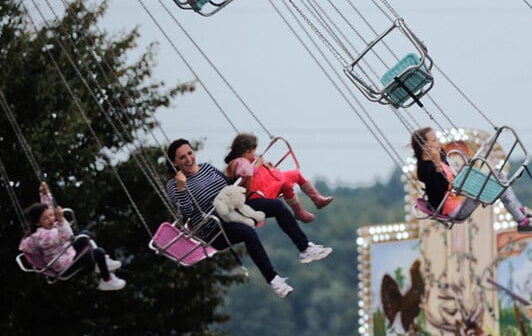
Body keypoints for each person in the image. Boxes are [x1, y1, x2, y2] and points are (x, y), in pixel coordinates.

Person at [166, 139, 332, 298]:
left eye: (190, 153)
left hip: (236, 209)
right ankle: (274, 280)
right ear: (175, 163)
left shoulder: (207, 168)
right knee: (248, 233)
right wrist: (181, 187)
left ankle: (305, 248)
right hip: (216, 229)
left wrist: (260, 170)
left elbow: (232, 185)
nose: (189, 159)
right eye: (182, 157)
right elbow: (186, 212)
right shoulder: (174, 185)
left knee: (277, 206)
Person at [411, 127, 532, 232]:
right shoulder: (424, 168)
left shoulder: (441, 158)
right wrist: (437, 164)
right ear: (425, 147)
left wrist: (441, 161)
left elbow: (454, 175)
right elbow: (440, 187)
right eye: (434, 141)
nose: (438, 143)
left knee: (498, 174)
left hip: (461, 198)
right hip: (454, 210)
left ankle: (520, 213)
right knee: (498, 184)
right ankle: (521, 220)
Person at [18, 182, 125, 291]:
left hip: (65, 253)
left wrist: (44, 194)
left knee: (86, 234)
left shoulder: (45, 227)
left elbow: (48, 210)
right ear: (38, 223)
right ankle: (107, 280)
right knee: (98, 252)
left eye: (51, 216)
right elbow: (66, 236)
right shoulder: (43, 237)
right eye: (46, 218)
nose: (51, 219)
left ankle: (101, 263)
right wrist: (60, 220)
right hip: (63, 265)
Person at [224, 133, 333, 224]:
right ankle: (299, 212)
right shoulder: (238, 162)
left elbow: (255, 169)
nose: (255, 154)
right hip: (260, 190)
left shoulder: (248, 160)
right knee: (285, 185)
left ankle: (316, 198)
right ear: (247, 152)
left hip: (271, 179)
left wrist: (266, 166)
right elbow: (247, 173)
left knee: (295, 174)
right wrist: (258, 164)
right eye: (253, 152)